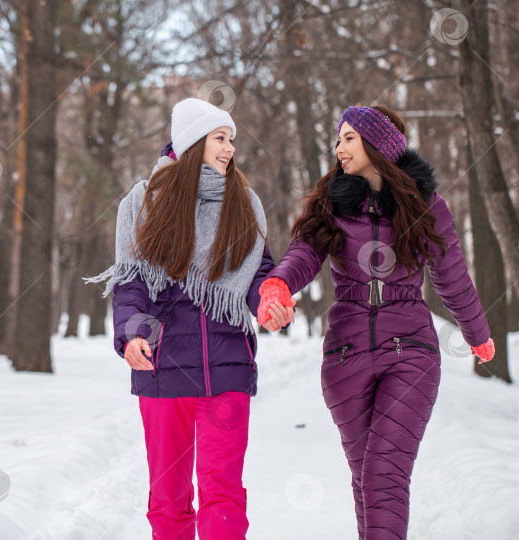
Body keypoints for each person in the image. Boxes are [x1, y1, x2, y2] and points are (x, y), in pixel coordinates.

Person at [257, 105, 495, 540]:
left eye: (349, 137)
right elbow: (304, 253)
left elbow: (453, 278)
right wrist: (277, 284)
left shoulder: (425, 206)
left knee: (385, 472)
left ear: (377, 144)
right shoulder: (331, 203)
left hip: (411, 352)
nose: (339, 147)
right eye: (338, 139)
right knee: (366, 478)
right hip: (345, 355)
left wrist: (478, 334)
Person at [86, 97, 288, 539]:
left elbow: (258, 273)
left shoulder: (244, 202)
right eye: (220, 137)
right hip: (163, 368)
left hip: (228, 364)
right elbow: (130, 284)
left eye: (231, 139)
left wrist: (268, 299)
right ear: (194, 141)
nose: (230, 148)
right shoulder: (145, 202)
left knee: (224, 493)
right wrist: (133, 333)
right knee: (169, 498)